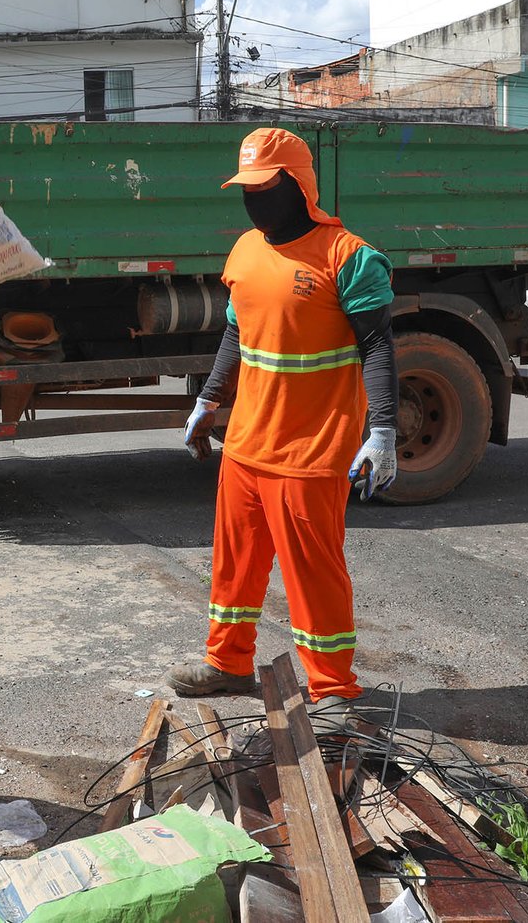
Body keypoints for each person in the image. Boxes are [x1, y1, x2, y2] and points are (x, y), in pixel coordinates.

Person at [169, 127, 398, 709]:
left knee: (312, 574)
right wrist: (209, 401)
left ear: (298, 185)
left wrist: (384, 432)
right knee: (235, 565)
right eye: (245, 188)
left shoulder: (350, 256)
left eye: (264, 187)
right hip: (246, 443)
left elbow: (378, 349)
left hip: (311, 450)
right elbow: (235, 332)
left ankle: (335, 691)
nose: (252, 199)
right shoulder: (246, 249)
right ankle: (227, 664)